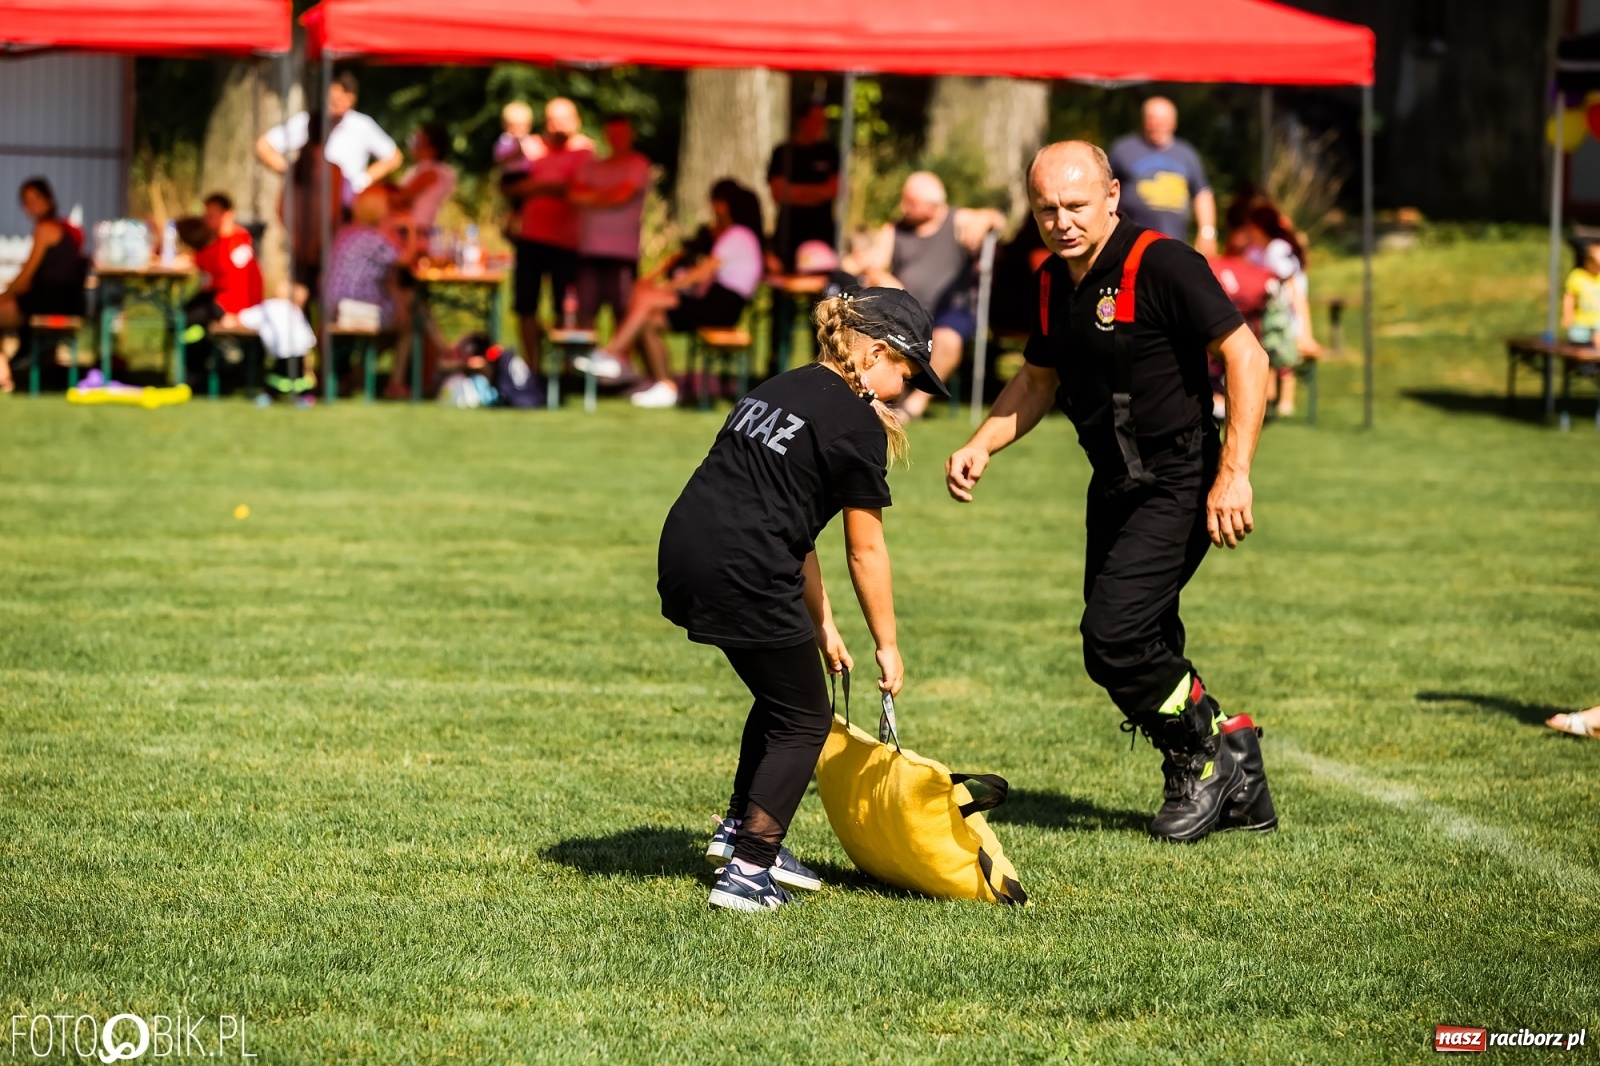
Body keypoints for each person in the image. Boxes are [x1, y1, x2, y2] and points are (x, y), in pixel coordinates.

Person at [945, 141, 1276, 844]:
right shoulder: (1050, 281)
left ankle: (1207, 756)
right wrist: (981, 444)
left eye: (1075, 205)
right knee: (1140, 637)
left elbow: (1247, 356)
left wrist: (1235, 471)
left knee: (1114, 636)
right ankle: (1234, 761)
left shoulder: (1164, 264)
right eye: (1046, 209)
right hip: (1114, 483)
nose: (1061, 221)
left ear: (1113, 196)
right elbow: (1037, 380)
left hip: (1180, 477)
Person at [657, 286, 947, 911]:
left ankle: (740, 828)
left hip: (687, 551)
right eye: (908, 372)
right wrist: (888, 645)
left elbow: (795, 525)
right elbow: (864, 550)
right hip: (747, 566)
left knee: (781, 695)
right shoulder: (856, 424)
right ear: (875, 353)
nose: (908, 388)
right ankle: (748, 870)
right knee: (804, 718)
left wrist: (823, 625)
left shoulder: (781, 387)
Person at [583, 179, 765, 408]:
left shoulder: (737, 235)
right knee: (648, 320)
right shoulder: (740, 237)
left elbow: (703, 272)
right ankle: (663, 385)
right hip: (716, 303)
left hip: (720, 307)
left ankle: (614, 355)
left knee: (646, 297)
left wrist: (668, 287)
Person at [847, 171, 1005, 419]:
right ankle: (884, 396)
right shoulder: (895, 229)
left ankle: (915, 404)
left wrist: (987, 218)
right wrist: (882, 278)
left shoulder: (958, 220)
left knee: (947, 339)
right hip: (905, 310)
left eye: (910, 202)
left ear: (933, 206)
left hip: (950, 311)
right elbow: (875, 263)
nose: (903, 207)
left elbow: (998, 219)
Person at [506, 98, 596, 369]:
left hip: (567, 242)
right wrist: (549, 187)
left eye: (564, 119)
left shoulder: (585, 150)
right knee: (526, 306)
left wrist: (537, 187)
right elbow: (510, 185)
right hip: (530, 238)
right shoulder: (530, 148)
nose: (558, 126)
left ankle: (564, 372)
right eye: (553, 120)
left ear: (576, 120)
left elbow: (575, 188)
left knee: (565, 308)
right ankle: (531, 367)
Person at [322, 187, 421, 398]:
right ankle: (394, 383)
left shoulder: (347, 232)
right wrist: (411, 228)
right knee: (410, 321)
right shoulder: (372, 238)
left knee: (406, 308)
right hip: (353, 308)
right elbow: (405, 260)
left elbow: (385, 278)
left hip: (333, 305)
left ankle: (356, 375)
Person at [0, 177, 87, 393]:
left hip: (54, 301)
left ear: (49, 199)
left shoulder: (46, 229)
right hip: (65, 300)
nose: (32, 205)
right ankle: (16, 361)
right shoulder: (59, 228)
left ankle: (3, 373)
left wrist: (5, 295)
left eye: (36, 198)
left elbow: (26, 275)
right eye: (26, 201)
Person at [1238, 201, 1320, 417]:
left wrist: (1306, 332)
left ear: (1257, 227)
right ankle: (1270, 399)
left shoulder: (1277, 250)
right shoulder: (1262, 250)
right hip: (1274, 314)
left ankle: (1285, 403)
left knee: (1283, 357)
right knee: (1270, 354)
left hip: (1286, 315)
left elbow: (1294, 291)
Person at [570, 113, 651, 331]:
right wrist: (610, 195)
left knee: (623, 316)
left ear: (631, 135)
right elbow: (575, 195)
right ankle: (589, 354)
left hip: (622, 255)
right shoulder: (591, 166)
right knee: (585, 314)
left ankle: (618, 355)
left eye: (621, 133)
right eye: (613, 134)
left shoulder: (638, 165)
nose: (617, 139)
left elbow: (622, 197)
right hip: (590, 251)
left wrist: (593, 195)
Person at [1109, 97, 1218, 256]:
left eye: (1163, 119)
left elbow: (1202, 194)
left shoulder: (1187, 154)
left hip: (1175, 246)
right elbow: (1106, 192)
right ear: (1144, 120)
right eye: (1152, 118)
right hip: (1130, 244)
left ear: (1174, 123)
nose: (1157, 124)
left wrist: (1207, 232)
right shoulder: (1123, 150)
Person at [181, 193, 265, 388]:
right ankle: (193, 372)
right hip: (215, 300)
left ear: (228, 215)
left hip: (230, 306)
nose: (207, 220)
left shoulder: (240, 242)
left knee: (188, 317)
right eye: (206, 215)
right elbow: (203, 261)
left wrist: (236, 315)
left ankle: (196, 375)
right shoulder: (216, 242)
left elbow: (243, 283)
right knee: (184, 314)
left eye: (212, 215)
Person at [768, 102, 840, 271]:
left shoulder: (830, 152)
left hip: (821, 233)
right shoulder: (784, 152)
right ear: (802, 120)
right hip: (789, 234)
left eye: (824, 120)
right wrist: (818, 192)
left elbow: (834, 189)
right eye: (817, 119)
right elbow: (778, 193)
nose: (822, 124)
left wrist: (794, 192)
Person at [390, 124, 458, 234]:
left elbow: (401, 198)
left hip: (412, 231)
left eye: (418, 143)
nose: (413, 147)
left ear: (432, 149)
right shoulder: (441, 171)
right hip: (419, 230)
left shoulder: (430, 171)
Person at [1562, 239, 1600, 348]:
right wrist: (1567, 315)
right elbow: (1570, 297)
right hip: (1580, 322)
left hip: (1598, 321)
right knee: (1579, 347)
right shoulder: (1577, 276)